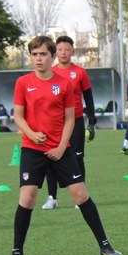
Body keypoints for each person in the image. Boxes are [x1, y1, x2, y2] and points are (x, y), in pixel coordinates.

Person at [10, 35, 121, 255]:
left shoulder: (65, 83)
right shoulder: (23, 83)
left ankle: (105, 245)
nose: (38, 59)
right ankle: (17, 252)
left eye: (43, 54)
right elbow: (18, 116)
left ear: (52, 57)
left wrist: (61, 147)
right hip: (32, 149)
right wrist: (31, 134)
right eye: (34, 54)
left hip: (61, 149)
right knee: (28, 198)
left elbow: (70, 119)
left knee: (80, 195)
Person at [41, 35, 97, 210]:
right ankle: (52, 198)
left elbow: (88, 97)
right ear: (55, 52)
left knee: (77, 158)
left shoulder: (80, 72)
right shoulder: (50, 72)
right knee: (50, 158)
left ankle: (81, 198)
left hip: (77, 121)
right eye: (60, 50)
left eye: (67, 50)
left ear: (72, 51)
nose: (63, 53)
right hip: (55, 123)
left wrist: (92, 120)